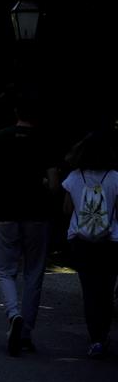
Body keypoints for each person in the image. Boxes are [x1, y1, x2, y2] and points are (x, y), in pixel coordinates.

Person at [0, 93, 60, 357]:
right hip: (37, 213)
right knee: (34, 272)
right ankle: (25, 334)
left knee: (3, 269)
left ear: (16, 111)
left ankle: (13, 314)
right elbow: (55, 185)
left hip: (4, 212)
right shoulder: (46, 140)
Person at [61, 131, 118, 359]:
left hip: (81, 241)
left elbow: (66, 210)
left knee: (89, 290)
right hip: (111, 241)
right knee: (106, 289)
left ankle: (95, 338)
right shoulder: (115, 177)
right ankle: (103, 334)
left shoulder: (75, 177)